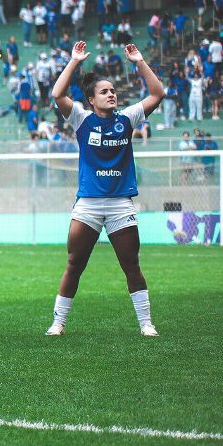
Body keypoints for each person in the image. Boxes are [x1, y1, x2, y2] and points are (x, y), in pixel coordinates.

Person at [46, 41, 164, 337]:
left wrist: (139, 61)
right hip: (88, 204)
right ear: (90, 99)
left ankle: (146, 323)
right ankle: (58, 322)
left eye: (113, 91)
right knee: (74, 263)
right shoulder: (81, 119)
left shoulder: (128, 118)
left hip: (120, 204)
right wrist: (74, 61)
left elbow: (157, 94)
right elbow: (57, 93)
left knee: (131, 265)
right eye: (104, 91)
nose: (111, 94)